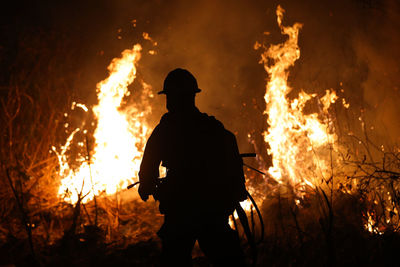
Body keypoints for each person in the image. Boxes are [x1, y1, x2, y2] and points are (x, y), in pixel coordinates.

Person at [138, 68, 247, 266]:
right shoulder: (213, 128)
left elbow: (149, 163)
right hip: (212, 207)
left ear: (170, 98)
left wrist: (146, 186)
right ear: (193, 96)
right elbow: (233, 160)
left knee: (175, 259)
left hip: (181, 208)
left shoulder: (166, 129)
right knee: (228, 259)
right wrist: (238, 190)